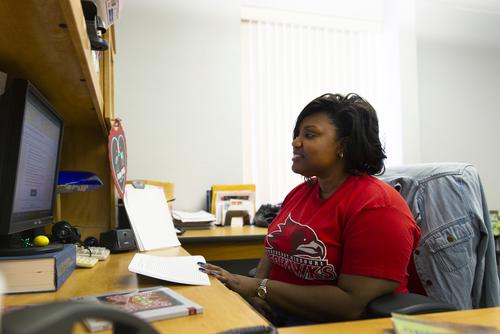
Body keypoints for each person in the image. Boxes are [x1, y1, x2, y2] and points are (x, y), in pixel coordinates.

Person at [199, 93, 421, 326]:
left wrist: (256, 287)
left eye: (309, 135)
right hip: (277, 317)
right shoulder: (300, 193)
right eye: (297, 134)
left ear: (343, 144)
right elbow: (273, 249)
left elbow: (351, 305)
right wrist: (255, 297)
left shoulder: (378, 207)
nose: (296, 142)